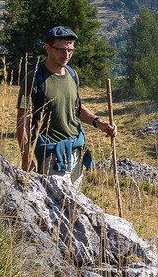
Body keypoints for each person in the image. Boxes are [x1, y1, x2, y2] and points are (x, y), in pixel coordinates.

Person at [17, 25, 116, 177]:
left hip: (77, 152)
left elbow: (76, 108)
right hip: (51, 156)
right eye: (61, 50)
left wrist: (99, 122)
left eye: (70, 50)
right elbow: (22, 120)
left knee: (73, 201)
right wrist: (26, 160)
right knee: (56, 201)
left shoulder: (72, 74)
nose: (66, 55)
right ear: (47, 48)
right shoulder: (34, 78)